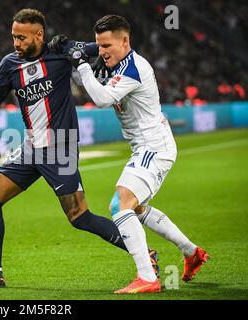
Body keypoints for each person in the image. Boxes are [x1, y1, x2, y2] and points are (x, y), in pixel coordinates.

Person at [0, 9, 159, 288]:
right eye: (14, 37)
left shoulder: (59, 55)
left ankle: (145, 253)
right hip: (29, 147)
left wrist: (73, 46)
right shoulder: (9, 64)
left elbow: (102, 49)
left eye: (22, 38)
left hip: (60, 148)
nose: (16, 43)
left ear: (39, 35)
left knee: (79, 217)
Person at [53, 15, 209, 293]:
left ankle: (147, 278)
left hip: (153, 146)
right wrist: (68, 51)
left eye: (107, 45)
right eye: (99, 45)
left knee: (119, 205)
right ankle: (191, 252)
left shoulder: (135, 67)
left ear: (125, 41)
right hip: (146, 146)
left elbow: (100, 99)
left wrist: (80, 62)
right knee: (134, 208)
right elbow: (87, 71)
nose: (101, 51)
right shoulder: (117, 62)